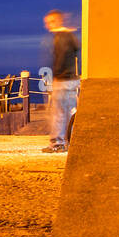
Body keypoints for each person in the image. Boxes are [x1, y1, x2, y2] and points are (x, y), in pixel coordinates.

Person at [42, 9, 80, 154]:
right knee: (70, 112)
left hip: (62, 79)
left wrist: (56, 75)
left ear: (58, 21)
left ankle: (57, 143)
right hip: (72, 79)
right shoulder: (71, 36)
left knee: (57, 113)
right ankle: (71, 141)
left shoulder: (60, 37)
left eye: (51, 22)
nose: (48, 25)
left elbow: (61, 58)